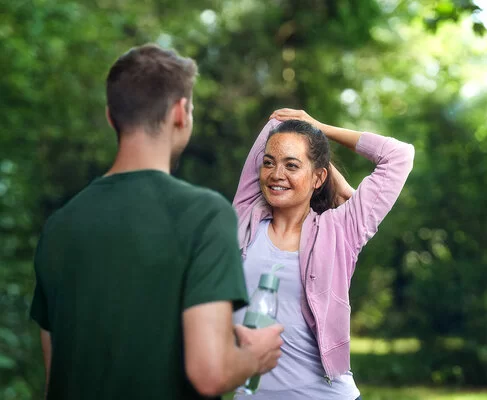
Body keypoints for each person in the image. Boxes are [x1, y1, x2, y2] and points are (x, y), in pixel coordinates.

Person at [29, 44, 284, 400]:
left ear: (110, 116)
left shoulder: (58, 226)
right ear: (181, 113)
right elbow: (210, 373)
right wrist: (254, 355)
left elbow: (55, 373)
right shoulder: (204, 215)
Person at [232, 108, 415, 399]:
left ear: (319, 178)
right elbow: (277, 122)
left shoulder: (341, 230)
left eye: (292, 166)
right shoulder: (245, 215)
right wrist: (305, 145)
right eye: (269, 163)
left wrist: (319, 128)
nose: (276, 174)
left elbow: (399, 155)